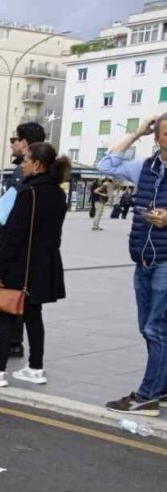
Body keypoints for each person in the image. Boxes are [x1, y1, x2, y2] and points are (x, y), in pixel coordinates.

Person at [0, 143, 68, 387]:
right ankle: (35, 367)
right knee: (34, 315)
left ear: (37, 164)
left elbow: (13, 236)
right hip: (45, 263)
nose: (22, 165)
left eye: (25, 160)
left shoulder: (28, 193)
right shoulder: (58, 194)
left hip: (20, 265)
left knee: (7, 315)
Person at [97, 114, 167, 416]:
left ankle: (148, 394)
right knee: (149, 327)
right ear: (157, 137)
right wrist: (137, 132)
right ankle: (161, 389)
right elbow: (106, 166)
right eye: (165, 133)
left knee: (156, 328)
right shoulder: (146, 167)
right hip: (143, 257)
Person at [0, 122, 47, 359]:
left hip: (16, 247)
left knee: (8, 296)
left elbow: (7, 215)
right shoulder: (49, 179)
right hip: (36, 249)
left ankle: (8, 345)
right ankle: (21, 349)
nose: (12, 144)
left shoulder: (23, 175)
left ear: (25, 142)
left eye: (14, 139)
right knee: (28, 304)